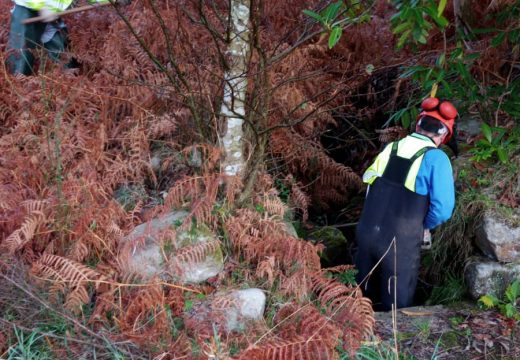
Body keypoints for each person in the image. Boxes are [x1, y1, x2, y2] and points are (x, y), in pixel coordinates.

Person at [355, 97, 457, 311]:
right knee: (397, 309)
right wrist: (424, 226)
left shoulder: (391, 147)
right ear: (444, 134)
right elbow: (443, 209)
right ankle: (388, 344)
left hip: (366, 232)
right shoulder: (436, 159)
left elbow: (369, 187)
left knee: (360, 300)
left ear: (418, 123)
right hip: (400, 242)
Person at [6, 0, 109, 75]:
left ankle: (71, 90)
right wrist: (42, 6)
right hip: (27, 10)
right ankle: (15, 95)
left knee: (63, 54)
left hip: (53, 14)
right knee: (22, 57)